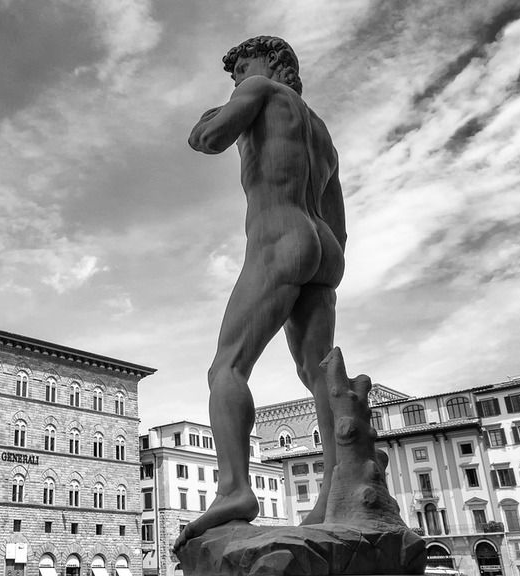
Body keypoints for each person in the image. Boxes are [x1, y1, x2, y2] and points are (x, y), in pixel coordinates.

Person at [175, 36, 346, 550]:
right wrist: (325, 260)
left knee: (226, 367)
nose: (235, 79)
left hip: (279, 236)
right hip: (326, 247)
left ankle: (234, 490)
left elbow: (209, 140)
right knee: (319, 374)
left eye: (240, 68)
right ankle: (337, 492)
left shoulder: (259, 87)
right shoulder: (321, 131)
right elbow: (338, 219)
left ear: (273, 62)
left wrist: (208, 118)